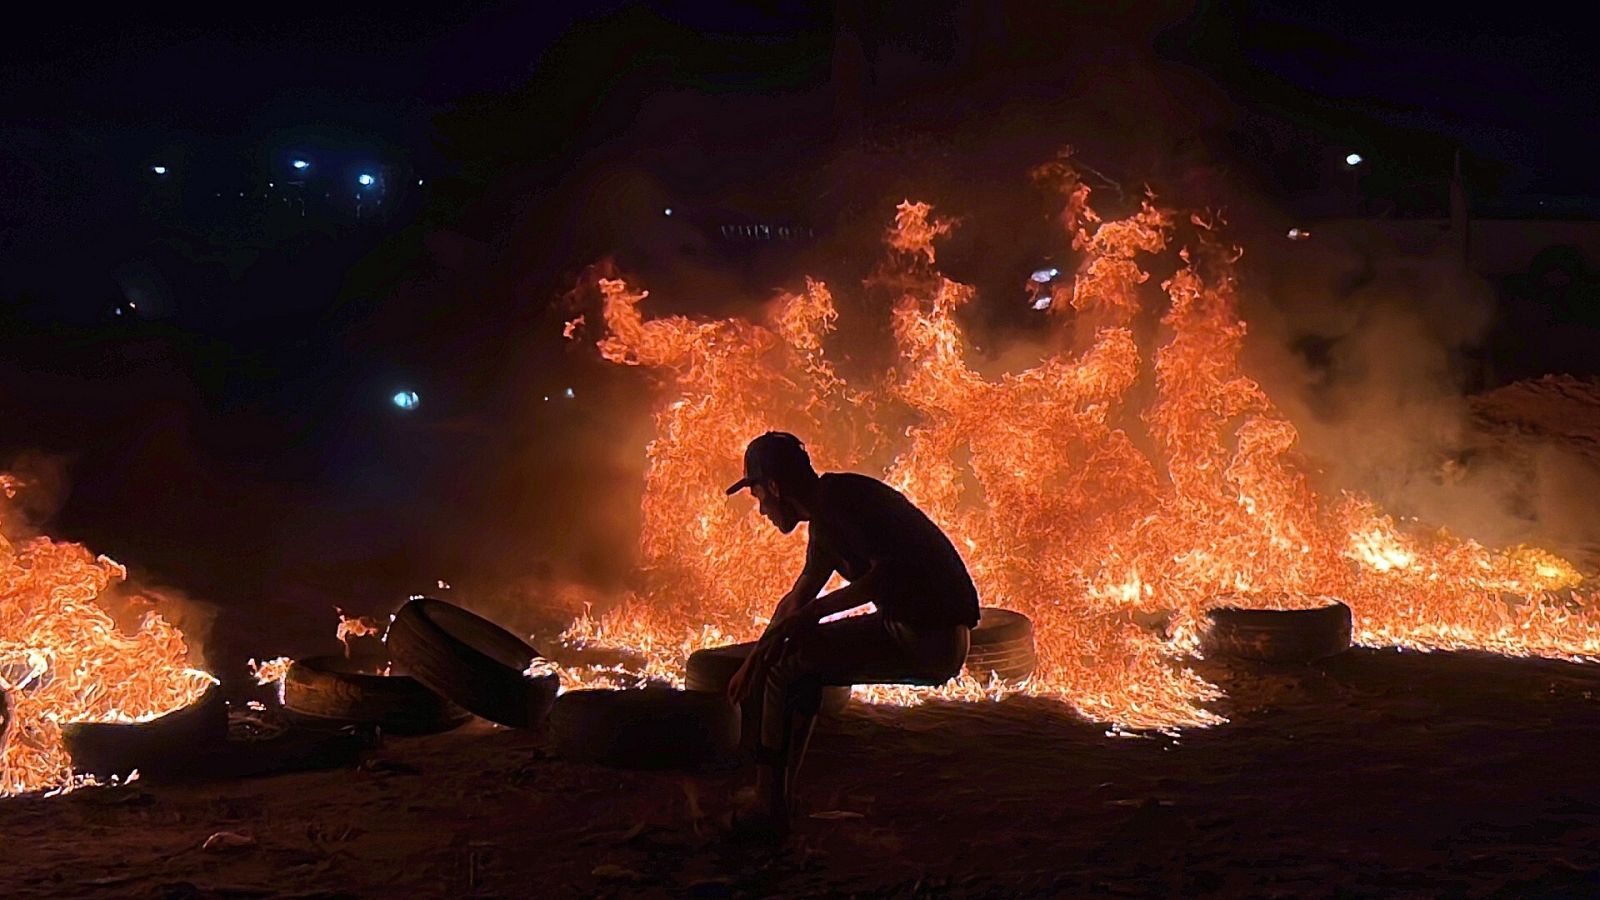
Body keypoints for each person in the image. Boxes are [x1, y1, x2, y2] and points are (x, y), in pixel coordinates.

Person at [723, 431, 979, 836]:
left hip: (930, 639)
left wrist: (811, 617)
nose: (762, 511)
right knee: (794, 662)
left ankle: (767, 804)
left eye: (758, 498)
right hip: (915, 631)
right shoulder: (828, 514)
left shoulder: (843, 505)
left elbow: (885, 574)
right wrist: (754, 659)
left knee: (789, 664)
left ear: (773, 487)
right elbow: (797, 598)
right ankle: (778, 796)